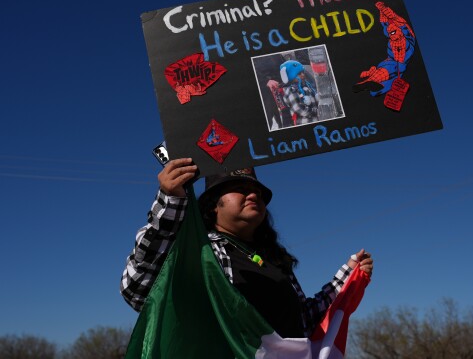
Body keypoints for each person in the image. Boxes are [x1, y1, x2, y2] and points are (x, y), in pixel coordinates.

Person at [120, 158, 373, 338]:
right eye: (239, 189)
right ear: (212, 206)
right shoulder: (199, 253)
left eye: (257, 192)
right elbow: (139, 289)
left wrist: (347, 277)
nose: (252, 195)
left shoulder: (274, 260)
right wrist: (172, 199)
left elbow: (303, 321)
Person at [279, 60, 320, 126]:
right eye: (299, 74)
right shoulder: (291, 90)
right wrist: (318, 111)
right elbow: (299, 109)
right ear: (291, 76)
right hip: (305, 122)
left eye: (302, 72)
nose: (303, 75)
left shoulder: (306, 85)